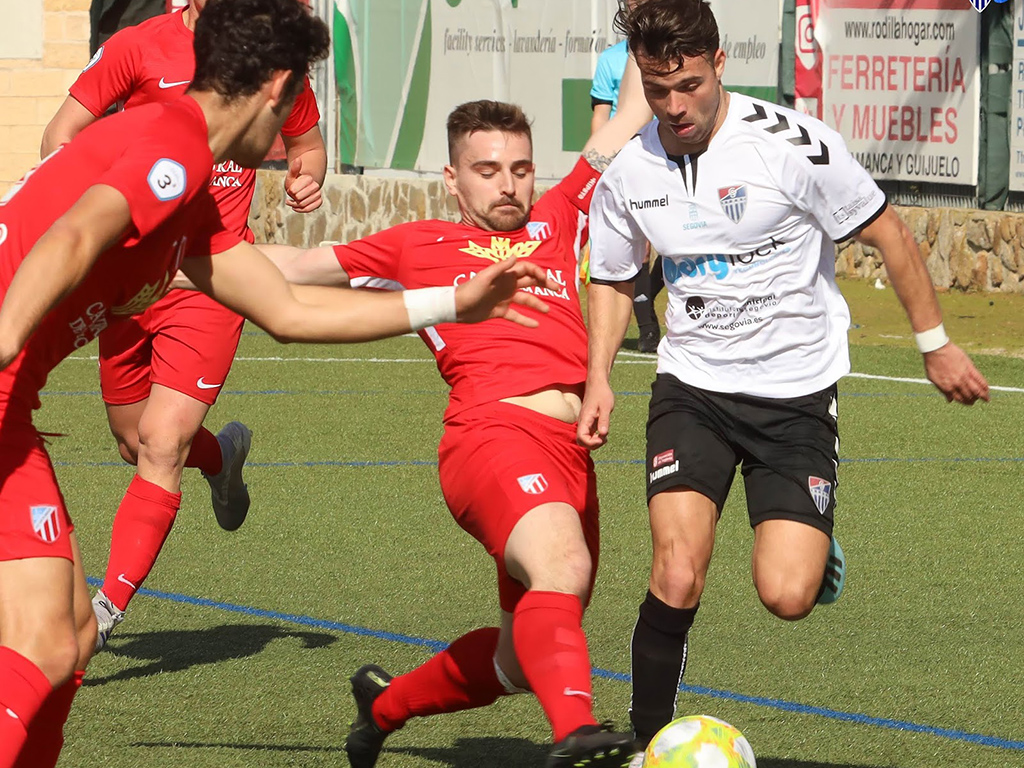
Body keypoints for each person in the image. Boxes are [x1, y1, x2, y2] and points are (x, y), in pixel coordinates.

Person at [0, 2, 550, 766]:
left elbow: (286, 307)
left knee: (68, 639)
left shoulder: (191, 200)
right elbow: (75, 232)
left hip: (9, 421)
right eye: (300, 98)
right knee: (43, 640)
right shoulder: (174, 144)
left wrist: (454, 302)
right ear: (280, 87)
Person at [577, 0, 991, 751]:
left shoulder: (793, 146)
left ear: (720, 64)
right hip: (692, 388)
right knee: (676, 570)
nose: (675, 107)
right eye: (657, 88)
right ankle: (646, 745)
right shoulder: (630, 168)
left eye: (690, 86)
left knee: (787, 594)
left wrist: (934, 343)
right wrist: (598, 374)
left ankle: (814, 539)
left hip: (795, 395)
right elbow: (611, 276)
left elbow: (888, 232)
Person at [260, 88, 653, 767]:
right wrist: (152, 257)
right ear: (452, 177)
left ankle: (381, 706)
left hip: (571, 456)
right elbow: (290, 268)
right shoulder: (418, 244)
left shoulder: (559, 215)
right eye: (488, 169)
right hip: (491, 437)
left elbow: (628, 118)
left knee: (522, 660)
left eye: (521, 168)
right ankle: (579, 734)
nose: (508, 183)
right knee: (562, 566)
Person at [40, 0, 329, 650]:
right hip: (129, 274)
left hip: (212, 275)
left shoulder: (271, 52)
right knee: (131, 440)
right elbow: (61, 135)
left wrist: (306, 180)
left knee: (162, 444)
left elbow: (307, 146)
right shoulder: (136, 48)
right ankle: (223, 456)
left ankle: (103, 614)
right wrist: (93, 203)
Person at [590, 4, 662, 354]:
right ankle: (648, 328)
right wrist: (600, 166)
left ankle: (645, 299)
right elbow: (602, 116)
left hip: (671, 156)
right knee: (640, 248)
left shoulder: (678, 46)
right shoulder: (610, 60)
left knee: (676, 240)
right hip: (628, 158)